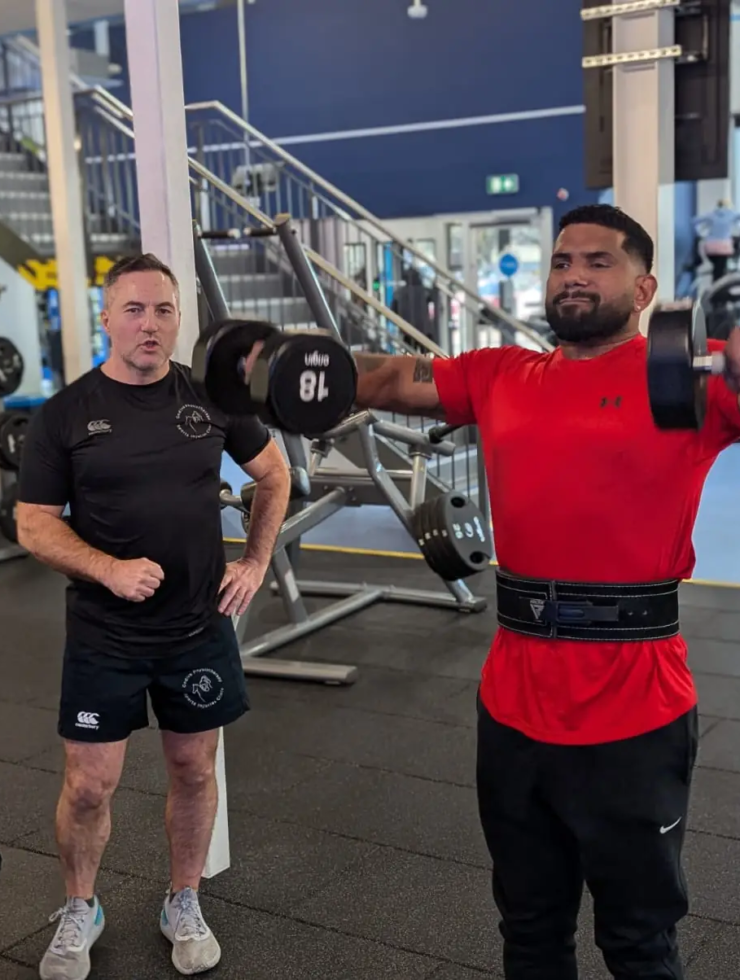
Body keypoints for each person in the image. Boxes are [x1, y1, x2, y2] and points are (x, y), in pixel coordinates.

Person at [352, 204, 740, 979]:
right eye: (564, 261)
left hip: (634, 706)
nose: (574, 276)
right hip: (513, 706)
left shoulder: (690, 381)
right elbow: (394, 377)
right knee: (529, 930)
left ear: (645, 287)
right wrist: (292, 366)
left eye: (599, 262)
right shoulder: (502, 375)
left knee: (638, 941)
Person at [16, 254, 290, 980]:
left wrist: (256, 562)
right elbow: (33, 525)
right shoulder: (65, 415)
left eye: (163, 310)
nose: (149, 324)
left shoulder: (212, 399)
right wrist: (107, 568)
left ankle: (183, 899)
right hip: (105, 634)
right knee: (89, 785)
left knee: (194, 769)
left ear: (177, 320)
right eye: (133, 309)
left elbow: (275, 474)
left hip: (196, 627)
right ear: (106, 317)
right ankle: (82, 906)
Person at [693, 198, 740, 282]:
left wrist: (700, 233)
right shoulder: (732, 214)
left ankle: (717, 283)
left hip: (710, 247)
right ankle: (718, 287)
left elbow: (694, 221)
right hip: (724, 247)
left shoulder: (711, 214)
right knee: (720, 270)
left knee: (717, 268)